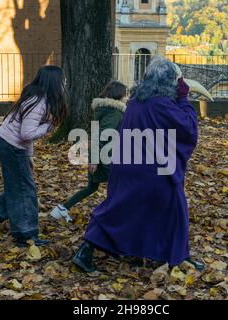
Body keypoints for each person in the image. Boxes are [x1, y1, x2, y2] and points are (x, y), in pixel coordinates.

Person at [72, 57, 205, 272]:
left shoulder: (135, 103)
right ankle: (178, 258)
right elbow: (189, 129)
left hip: (127, 164)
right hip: (153, 170)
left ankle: (88, 249)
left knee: (120, 208)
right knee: (174, 210)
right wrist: (183, 99)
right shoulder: (163, 105)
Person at [0, 65, 68, 247]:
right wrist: (48, 128)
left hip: (10, 144)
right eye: (62, 80)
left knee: (17, 186)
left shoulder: (38, 98)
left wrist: (29, 155)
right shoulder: (39, 103)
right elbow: (27, 133)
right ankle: (26, 235)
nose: (64, 84)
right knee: (25, 190)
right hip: (11, 146)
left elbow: (25, 135)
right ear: (53, 83)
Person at [50, 81, 128, 222]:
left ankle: (62, 208)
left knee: (92, 187)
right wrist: (94, 160)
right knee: (120, 185)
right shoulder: (115, 113)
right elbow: (103, 136)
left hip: (98, 154)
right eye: (124, 95)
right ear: (119, 95)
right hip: (106, 156)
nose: (126, 98)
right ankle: (111, 216)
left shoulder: (103, 109)